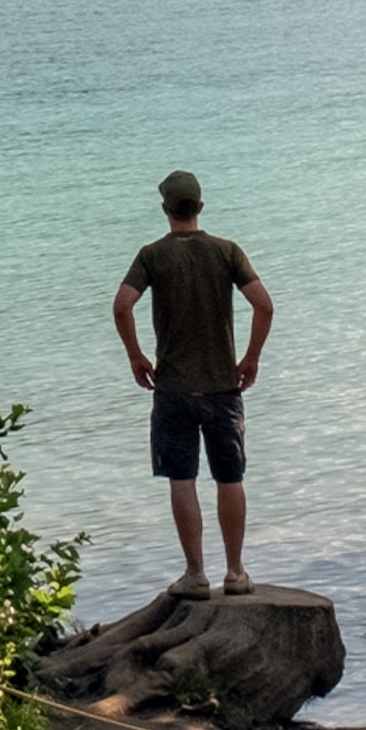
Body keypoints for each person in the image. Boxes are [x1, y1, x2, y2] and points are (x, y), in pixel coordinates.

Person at [113, 168, 274, 597]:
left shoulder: (152, 256)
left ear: (165, 209)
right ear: (199, 207)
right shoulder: (227, 252)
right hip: (224, 386)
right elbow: (264, 305)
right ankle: (236, 573)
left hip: (173, 390)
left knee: (182, 478)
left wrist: (135, 355)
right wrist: (251, 357)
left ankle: (195, 574)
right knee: (230, 477)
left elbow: (122, 305)